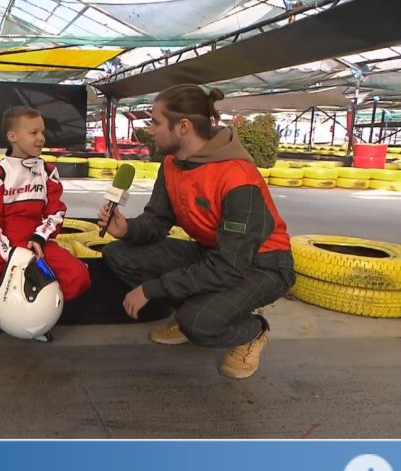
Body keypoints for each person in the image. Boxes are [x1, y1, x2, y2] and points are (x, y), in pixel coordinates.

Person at [99, 84, 295, 379]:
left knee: (200, 324)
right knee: (119, 255)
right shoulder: (171, 164)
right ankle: (193, 310)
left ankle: (253, 331)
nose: (149, 130)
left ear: (183, 127)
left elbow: (229, 267)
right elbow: (156, 221)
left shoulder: (237, 178)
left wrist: (152, 289)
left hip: (262, 265)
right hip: (213, 254)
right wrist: (127, 228)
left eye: (155, 122)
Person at [0, 106, 91, 342]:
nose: (41, 138)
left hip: (38, 243)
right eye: (33, 133)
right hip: (3, 245)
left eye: (43, 132)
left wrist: (39, 238)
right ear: (12, 136)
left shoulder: (48, 171)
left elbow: (56, 211)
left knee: (79, 277)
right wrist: (11, 254)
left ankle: (39, 315)